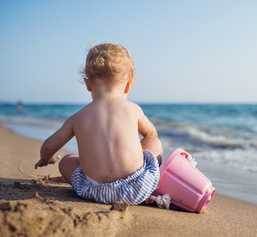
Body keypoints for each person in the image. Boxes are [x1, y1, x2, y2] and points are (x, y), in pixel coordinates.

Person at [35, 43, 162, 205]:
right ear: (128, 85)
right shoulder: (133, 109)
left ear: (88, 84)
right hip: (138, 189)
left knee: (66, 161)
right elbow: (151, 133)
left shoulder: (77, 118)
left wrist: (46, 159)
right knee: (154, 142)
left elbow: (48, 145)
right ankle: (160, 179)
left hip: (94, 191)